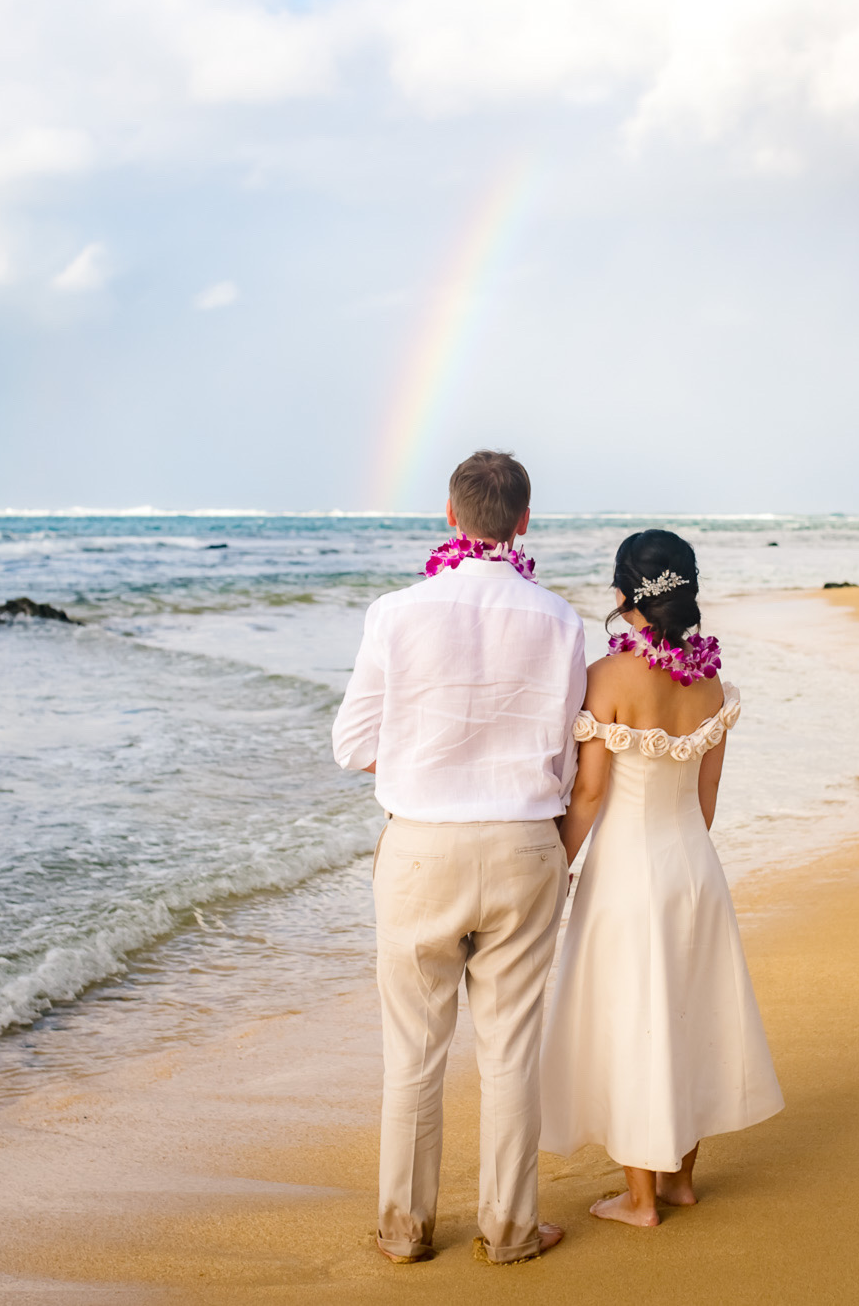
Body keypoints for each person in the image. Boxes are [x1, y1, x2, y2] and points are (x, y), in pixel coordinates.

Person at [332, 450, 586, 1265]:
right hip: (523, 843)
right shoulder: (559, 618)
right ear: (522, 522)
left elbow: (352, 745)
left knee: (413, 1049)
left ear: (450, 516)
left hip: (423, 846)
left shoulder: (397, 612)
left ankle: (405, 1230)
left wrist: (424, 757)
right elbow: (569, 756)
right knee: (511, 1046)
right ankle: (510, 1229)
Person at [540, 529, 783, 1227]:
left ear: (622, 596)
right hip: (693, 868)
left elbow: (587, 795)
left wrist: (556, 865)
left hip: (627, 872)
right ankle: (678, 1180)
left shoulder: (608, 678)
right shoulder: (708, 680)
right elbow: (706, 805)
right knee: (687, 1011)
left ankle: (639, 1198)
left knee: (634, 1018)